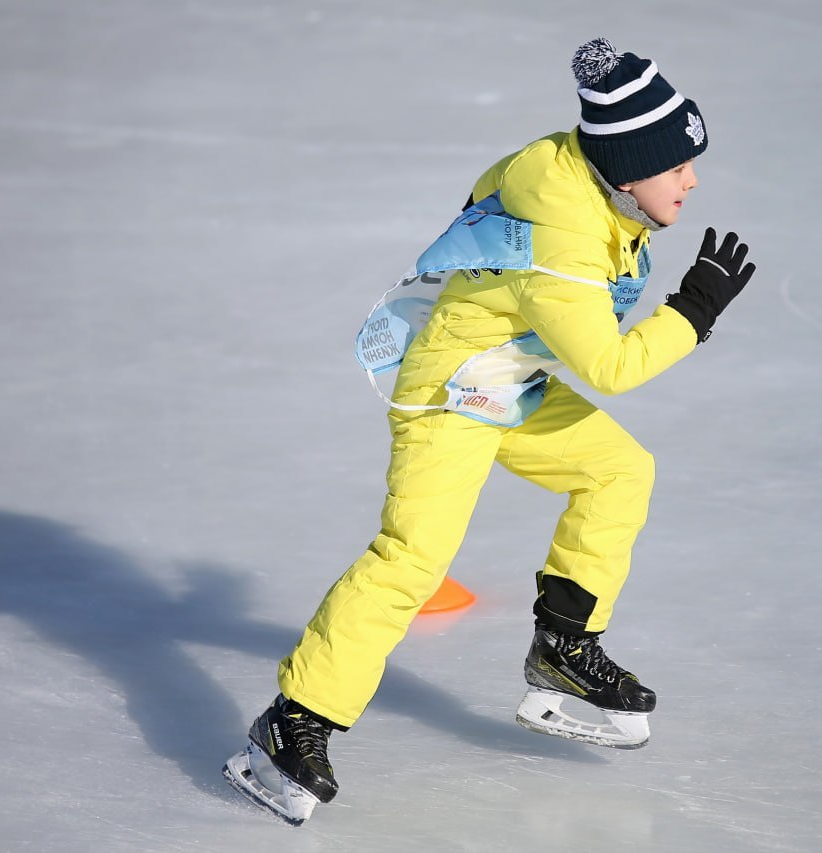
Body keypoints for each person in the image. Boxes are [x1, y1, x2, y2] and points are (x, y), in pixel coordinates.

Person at [224, 37, 756, 825]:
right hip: (450, 392)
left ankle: (563, 649)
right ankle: (292, 721)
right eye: (677, 165)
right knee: (411, 557)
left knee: (618, 469)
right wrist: (692, 314)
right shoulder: (564, 245)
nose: (693, 178)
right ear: (629, 166)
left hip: (507, 379)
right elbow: (608, 365)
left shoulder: (577, 171)